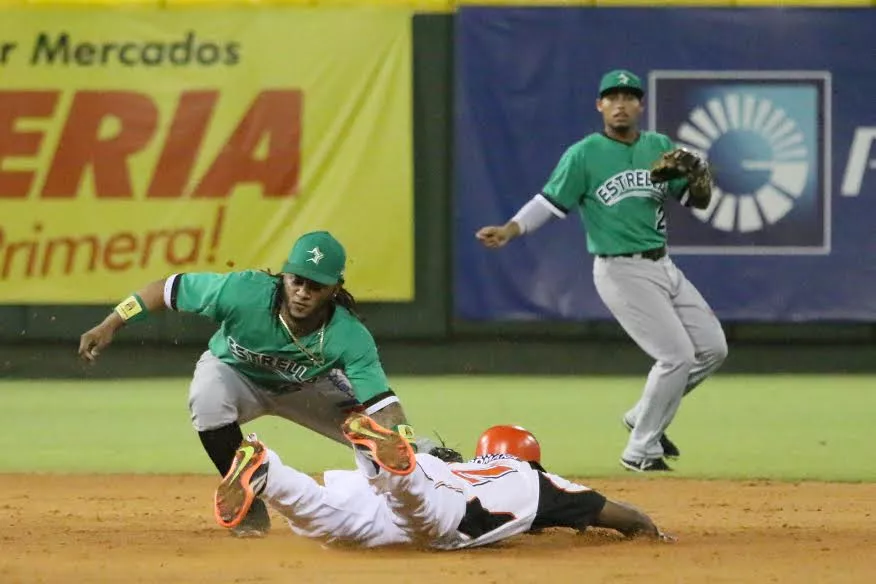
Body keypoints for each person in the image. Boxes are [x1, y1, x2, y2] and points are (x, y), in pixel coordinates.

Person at [78, 230, 454, 537]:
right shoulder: (243, 293)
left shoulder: (349, 335)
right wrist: (111, 323)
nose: (303, 292)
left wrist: (401, 436)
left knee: (372, 433)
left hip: (304, 388)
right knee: (206, 400)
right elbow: (165, 289)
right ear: (284, 275)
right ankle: (248, 501)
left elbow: (381, 403)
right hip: (234, 373)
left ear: (335, 288)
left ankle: (438, 468)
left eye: (316, 286)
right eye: (297, 280)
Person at [475, 69, 728, 472]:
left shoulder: (659, 145)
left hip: (663, 264)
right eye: (612, 97)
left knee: (712, 349)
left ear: (641, 105)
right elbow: (548, 201)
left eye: (629, 97)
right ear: (600, 105)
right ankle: (640, 449)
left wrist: (699, 177)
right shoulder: (584, 155)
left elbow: (695, 202)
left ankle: (640, 415)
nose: (621, 104)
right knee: (676, 355)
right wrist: (510, 229)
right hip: (620, 269)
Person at [213, 413, 676, 549]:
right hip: (439, 497)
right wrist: (650, 531)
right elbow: (621, 516)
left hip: (433, 470)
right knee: (424, 516)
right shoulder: (541, 484)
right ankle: (388, 463)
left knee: (326, 522)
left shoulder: (468, 463)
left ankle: (269, 472)